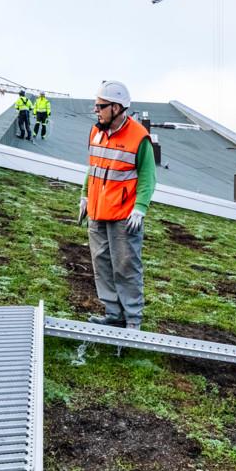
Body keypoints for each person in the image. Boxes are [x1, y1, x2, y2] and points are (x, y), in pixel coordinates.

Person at [78, 80, 155, 330]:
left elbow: (148, 177)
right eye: (96, 105)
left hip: (124, 215)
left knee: (125, 266)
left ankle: (133, 320)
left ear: (117, 107)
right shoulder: (96, 132)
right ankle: (113, 314)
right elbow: (94, 167)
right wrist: (85, 196)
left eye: (101, 106)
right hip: (98, 212)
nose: (96, 110)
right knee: (101, 264)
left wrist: (140, 208)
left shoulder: (139, 138)